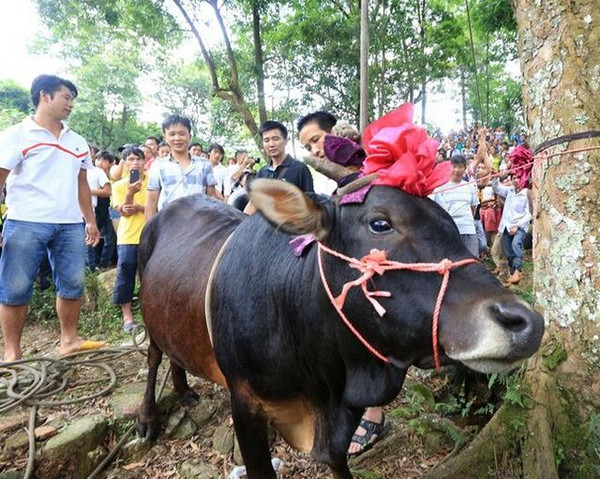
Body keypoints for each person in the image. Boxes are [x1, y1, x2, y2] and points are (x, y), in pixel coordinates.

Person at [0, 74, 103, 361]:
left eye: (72, 99)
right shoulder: (15, 135)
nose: (71, 104)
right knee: (16, 286)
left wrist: (90, 221)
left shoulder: (77, 141)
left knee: (72, 283)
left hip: (69, 224)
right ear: (44, 96)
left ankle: (69, 340)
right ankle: (12, 352)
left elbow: (82, 184)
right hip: (25, 221)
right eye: (66, 97)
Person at [146, 114, 219, 219]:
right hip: (168, 224)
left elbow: (211, 197)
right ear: (165, 137)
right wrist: (150, 232)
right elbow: (152, 201)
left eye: (182, 134)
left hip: (199, 224)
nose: (177, 138)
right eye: (172, 134)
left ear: (189, 136)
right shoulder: (158, 166)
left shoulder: (204, 164)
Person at [111, 146, 147, 332]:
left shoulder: (153, 182)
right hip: (127, 236)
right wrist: (130, 193)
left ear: (144, 162)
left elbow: (156, 207)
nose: (135, 163)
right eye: (130, 159)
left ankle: (148, 313)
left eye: (138, 159)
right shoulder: (118, 186)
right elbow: (123, 210)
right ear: (124, 163)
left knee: (149, 276)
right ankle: (127, 317)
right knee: (125, 274)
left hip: (150, 235)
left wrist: (140, 207)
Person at [430, 155, 479, 257]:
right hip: (450, 231)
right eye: (454, 166)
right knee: (452, 262)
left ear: (465, 169)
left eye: (460, 167)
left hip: (468, 229)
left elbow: (473, 208)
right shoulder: (441, 187)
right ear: (449, 167)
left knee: (472, 261)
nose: (457, 170)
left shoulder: (470, 186)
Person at [492, 172, 531, 285]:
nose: (516, 180)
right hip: (506, 227)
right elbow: (497, 188)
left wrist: (517, 225)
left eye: (518, 178)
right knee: (509, 254)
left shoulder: (526, 193)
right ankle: (514, 274)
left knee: (516, 245)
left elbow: (529, 214)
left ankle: (518, 270)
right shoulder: (510, 191)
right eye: (514, 178)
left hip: (519, 227)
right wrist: (495, 178)